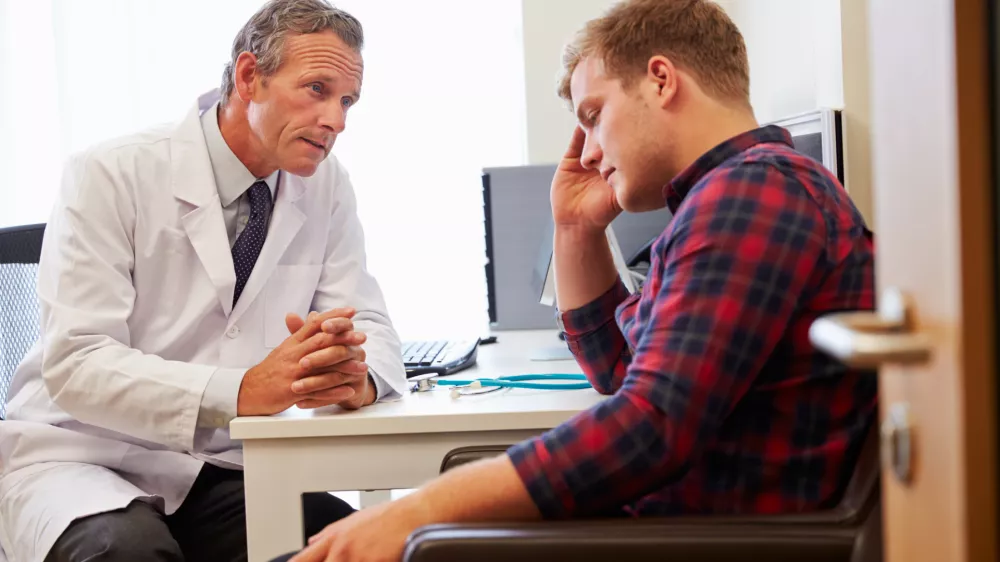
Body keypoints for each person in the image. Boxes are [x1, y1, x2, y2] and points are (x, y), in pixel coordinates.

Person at [280, 0, 878, 561]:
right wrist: (574, 228)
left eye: (593, 116)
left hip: (695, 540)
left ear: (662, 80)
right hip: (672, 528)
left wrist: (418, 510)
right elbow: (619, 370)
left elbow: (649, 425)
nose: (587, 152)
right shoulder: (733, 195)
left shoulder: (753, 194)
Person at [0, 1, 406, 560]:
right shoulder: (111, 172)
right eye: (317, 89)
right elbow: (77, 362)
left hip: (219, 466)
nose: (337, 120)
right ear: (248, 77)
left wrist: (352, 375)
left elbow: (368, 323)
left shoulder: (326, 186)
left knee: (367, 547)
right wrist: (242, 391)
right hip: (82, 455)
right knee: (128, 552)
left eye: (347, 101)